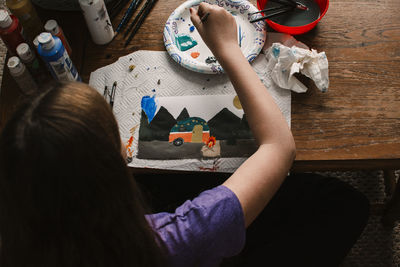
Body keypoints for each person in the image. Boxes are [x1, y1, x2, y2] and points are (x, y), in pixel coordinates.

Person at [0, 3, 369, 267]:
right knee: (348, 204)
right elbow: (279, 146)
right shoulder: (175, 237)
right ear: (113, 171)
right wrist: (226, 48)